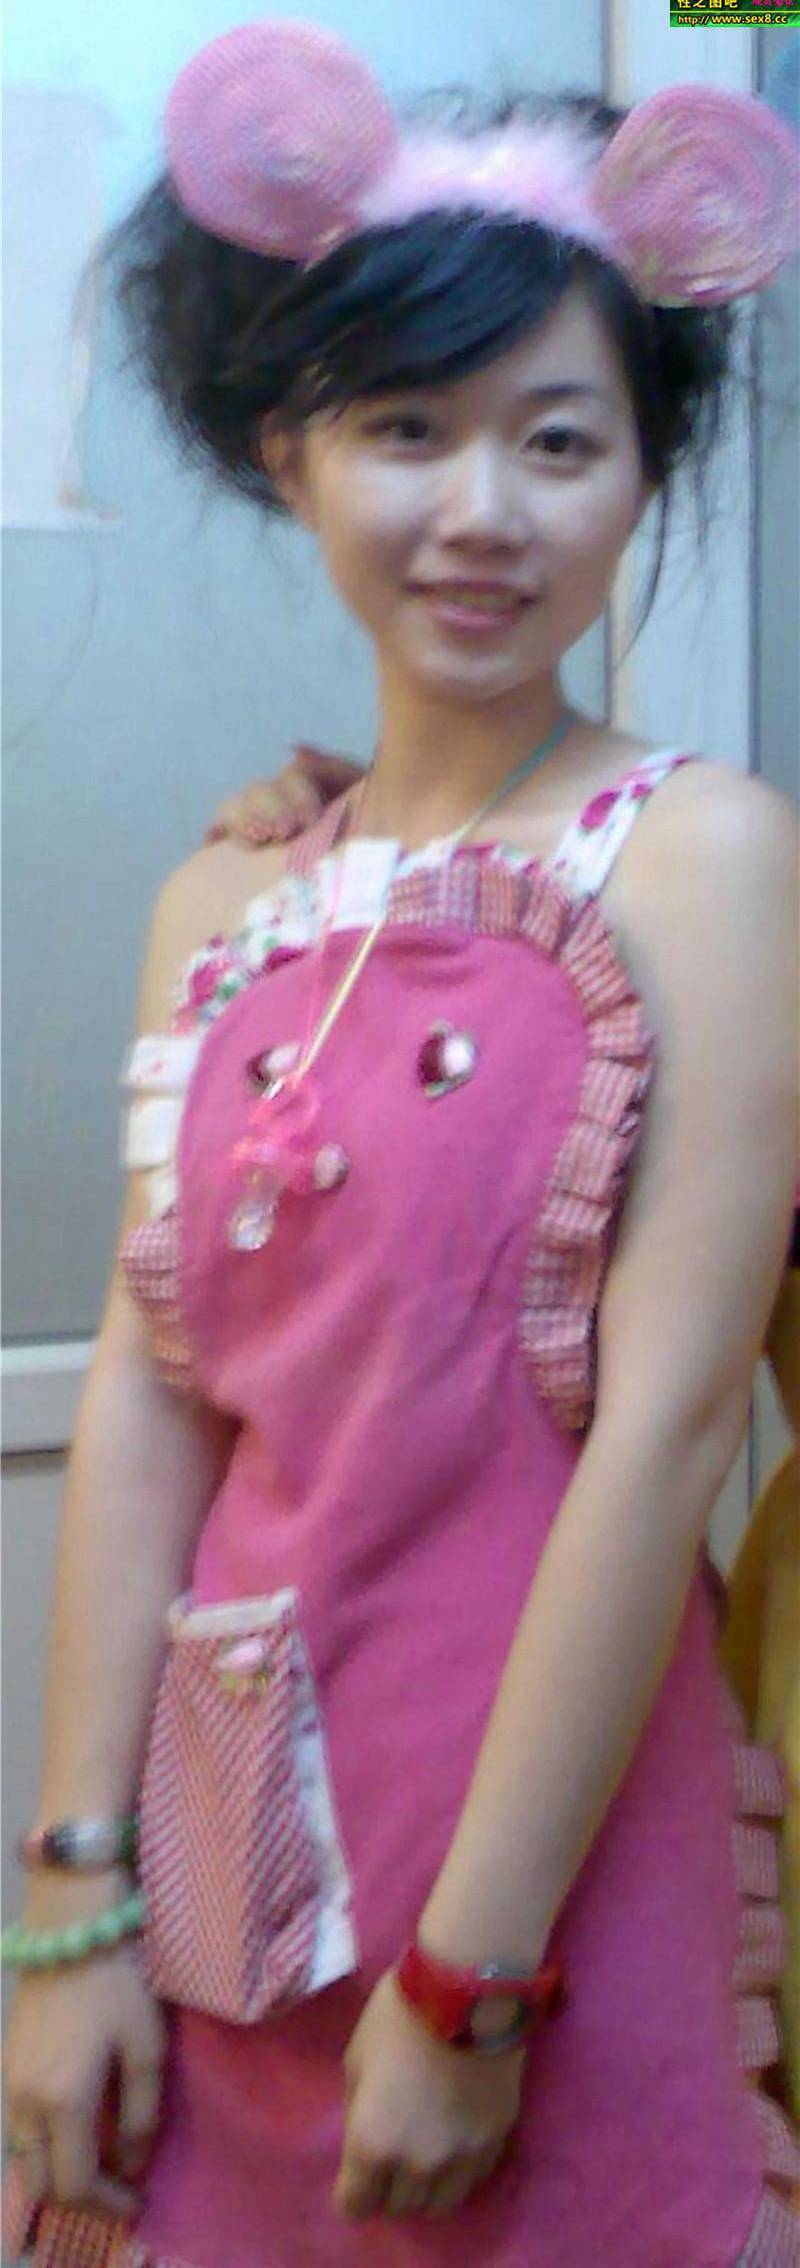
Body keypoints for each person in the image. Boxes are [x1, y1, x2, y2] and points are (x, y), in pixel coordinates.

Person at [2, 21, 800, 2267]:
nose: (482, 513)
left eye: (558, 439)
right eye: (406, 431)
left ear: (640, 470)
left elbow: (665, 1433)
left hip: (541, 1839)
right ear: (291, 453)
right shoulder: (222, 896)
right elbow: (156, 1391)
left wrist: (476, 1977)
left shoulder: (707, 858)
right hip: (230, 1810)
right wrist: (70, 1911)